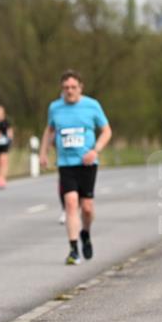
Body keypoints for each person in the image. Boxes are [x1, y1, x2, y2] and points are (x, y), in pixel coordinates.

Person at [39, 69, 113, 265]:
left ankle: (85, 233)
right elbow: (49, 130)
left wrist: (95, 150)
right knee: (71, 203)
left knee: (87, 208)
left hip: (87, 163)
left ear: (80, 88)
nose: (69, 91)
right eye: (65, 88)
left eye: (73, 87)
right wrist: (43, 152)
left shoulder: (92, 105)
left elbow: (106, 131)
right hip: (66, 164)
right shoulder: (55, 107)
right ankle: (73, 250)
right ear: (61, 89)